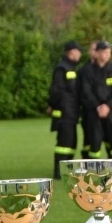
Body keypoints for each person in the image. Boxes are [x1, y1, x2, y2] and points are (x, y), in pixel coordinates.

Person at [80, 40, 112, 159]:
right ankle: (93, 171)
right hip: (94, 112)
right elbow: (86, 92)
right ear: (97, 53)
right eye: (105, 52)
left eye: (109, 52)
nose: (107, 54)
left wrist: (108, 106)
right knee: (94, 142)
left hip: (111, 111)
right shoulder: (87, 71)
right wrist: (98, 106)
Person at [47, 41, 82, 179]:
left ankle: (68, 169)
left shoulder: (72, 68)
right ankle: (59, 171)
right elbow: (56, 91)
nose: (80, 54)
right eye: (78, 51)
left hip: (72, 113)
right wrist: (56, 106)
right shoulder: (62, 69)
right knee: (64, 143)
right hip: (64, 113)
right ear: (71, 52)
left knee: (72, 143)